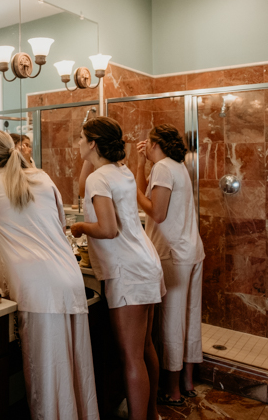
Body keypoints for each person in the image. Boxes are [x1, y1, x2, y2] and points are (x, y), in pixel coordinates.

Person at [0, 130, 98, 419]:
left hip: (38, 286)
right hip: (68, 275)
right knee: (77, 366)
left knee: (47, 374)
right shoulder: (42, 177)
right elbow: (60, 223)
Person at [71, 117, 163, 420]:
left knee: (130, 356)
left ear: (93, 143)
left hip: (127, 270)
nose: (77, 144)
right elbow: (82, 186)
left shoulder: (102, 177)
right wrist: (90, 156)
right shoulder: (118, 171)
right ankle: (151, 415)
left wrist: (81, 226)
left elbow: (108, 229)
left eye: (82, 139)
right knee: (146, 347)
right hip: (145, 261)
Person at [136, 124, 204, 406]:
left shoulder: (163, 167)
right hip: (191, 250)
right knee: (189, 316)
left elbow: (157, 212)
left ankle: (173, 390)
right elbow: (148, 194)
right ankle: (187, 382)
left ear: (155, 144)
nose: (144, 148)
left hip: (172, 252)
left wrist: (130, 191)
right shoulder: (176, 166)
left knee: (172, 321)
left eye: (147, 145)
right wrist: (140, 165)